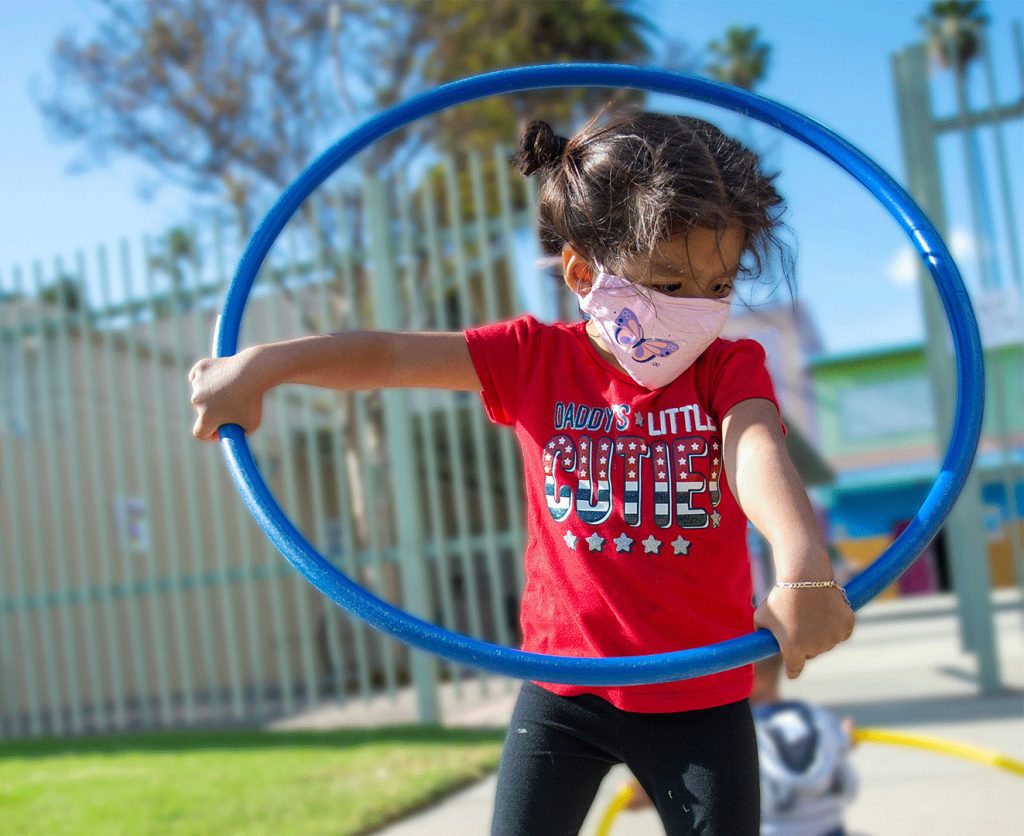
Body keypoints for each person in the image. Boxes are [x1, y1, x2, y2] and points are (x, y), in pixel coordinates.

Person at [188, 110, 856, 835]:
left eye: (718, 285)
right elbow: (386, 357)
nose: (694, 312)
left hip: (699, 692)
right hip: (566, 690)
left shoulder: (728, 369)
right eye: (667, 281)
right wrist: (265, 365)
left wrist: (803, 565)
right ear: (580, 271)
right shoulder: (532, 359)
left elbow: (754, 449)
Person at [623, 653, 859, 836]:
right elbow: (832, 756)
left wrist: (646, 793)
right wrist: (845, 737)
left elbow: (700, 783)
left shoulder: (736, 738)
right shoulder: (815, 719)